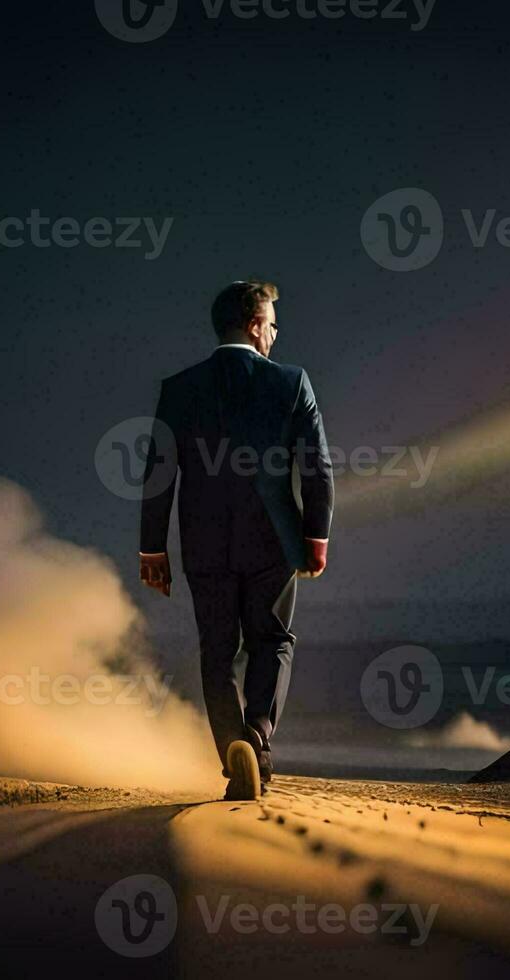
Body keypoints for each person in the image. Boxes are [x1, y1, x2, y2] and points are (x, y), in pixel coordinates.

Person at [137, 280, 333, 800]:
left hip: (202, 544)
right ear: (252, 324)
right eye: (270, 322)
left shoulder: (179, 388)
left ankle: (231, 752)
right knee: (272, 642)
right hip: (273, 541)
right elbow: (317, 468)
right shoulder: (292, 383)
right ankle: (258, 737)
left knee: (217, 652)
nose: (274, 331)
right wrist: (316, 535)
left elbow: (158, 473)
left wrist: (152, 548)